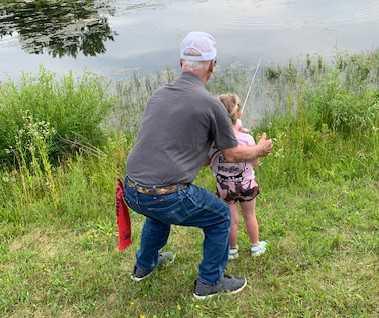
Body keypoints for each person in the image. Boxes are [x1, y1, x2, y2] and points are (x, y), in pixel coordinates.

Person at [123, 31, 273, 299]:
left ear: (181, 63)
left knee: (157, 215)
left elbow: (182, 145)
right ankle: (209, 283)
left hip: (132, 190)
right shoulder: (210, 104)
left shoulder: (159, 94)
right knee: (220, 216)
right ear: (212, 66)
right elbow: (232, 154)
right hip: (166, 194)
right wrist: (260, 149)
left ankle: (143, 266)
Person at [209, 93, 267, 260]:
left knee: (231, 220)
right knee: (250, 215)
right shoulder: (247, 138)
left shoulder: (212, 141)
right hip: (247, 185)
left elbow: (209, 160)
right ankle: (256, 246)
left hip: (225, 188)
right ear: (239, 114)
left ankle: (232, 250)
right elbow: (254, 161)